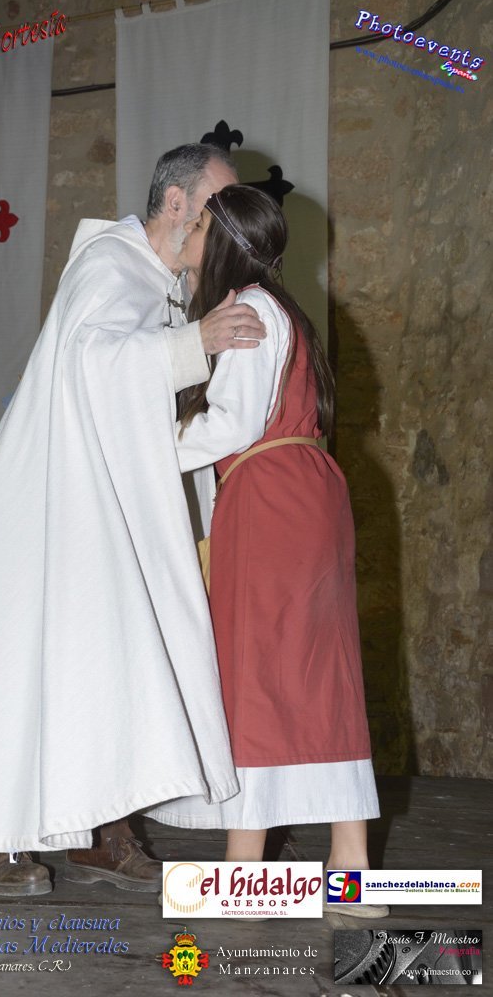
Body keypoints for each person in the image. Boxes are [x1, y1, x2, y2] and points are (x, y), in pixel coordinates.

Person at [0, 145, 266, 896]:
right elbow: (93, 364)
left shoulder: (163, 282)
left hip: (108, 502)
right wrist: (194, 343)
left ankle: (100, 829)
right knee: (25, 659)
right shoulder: (110, 263)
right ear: (175, 204)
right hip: (53, 506)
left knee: (104, 660)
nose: (223, 222)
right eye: (215, 205)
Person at [147, 185, 386, 915]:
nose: (185, 240)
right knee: (318, 670)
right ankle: (342, 867)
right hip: (303, 490)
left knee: (257, 668)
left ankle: (248, 870)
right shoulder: (284, 309)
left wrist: (143, 445)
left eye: (195, 229)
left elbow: (231, 423)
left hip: (271, 498)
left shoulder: (248, 309)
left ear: (222, 241)